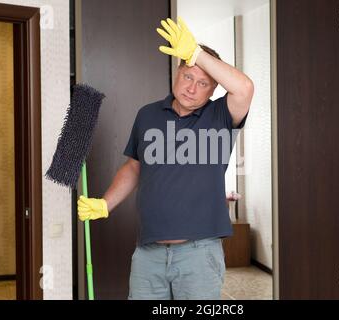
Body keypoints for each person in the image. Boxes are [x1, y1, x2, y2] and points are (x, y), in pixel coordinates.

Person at [77, 17, 254, 300]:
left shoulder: (220, 116)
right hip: (148, 253)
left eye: (203, 83)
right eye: (188, 76)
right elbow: (134, 166)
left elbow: (245, 87)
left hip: (199, 255)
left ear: (214, 89)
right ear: (177, 71)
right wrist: (105, 204)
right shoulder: (147, 115)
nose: (192, 88)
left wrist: (197, 53)